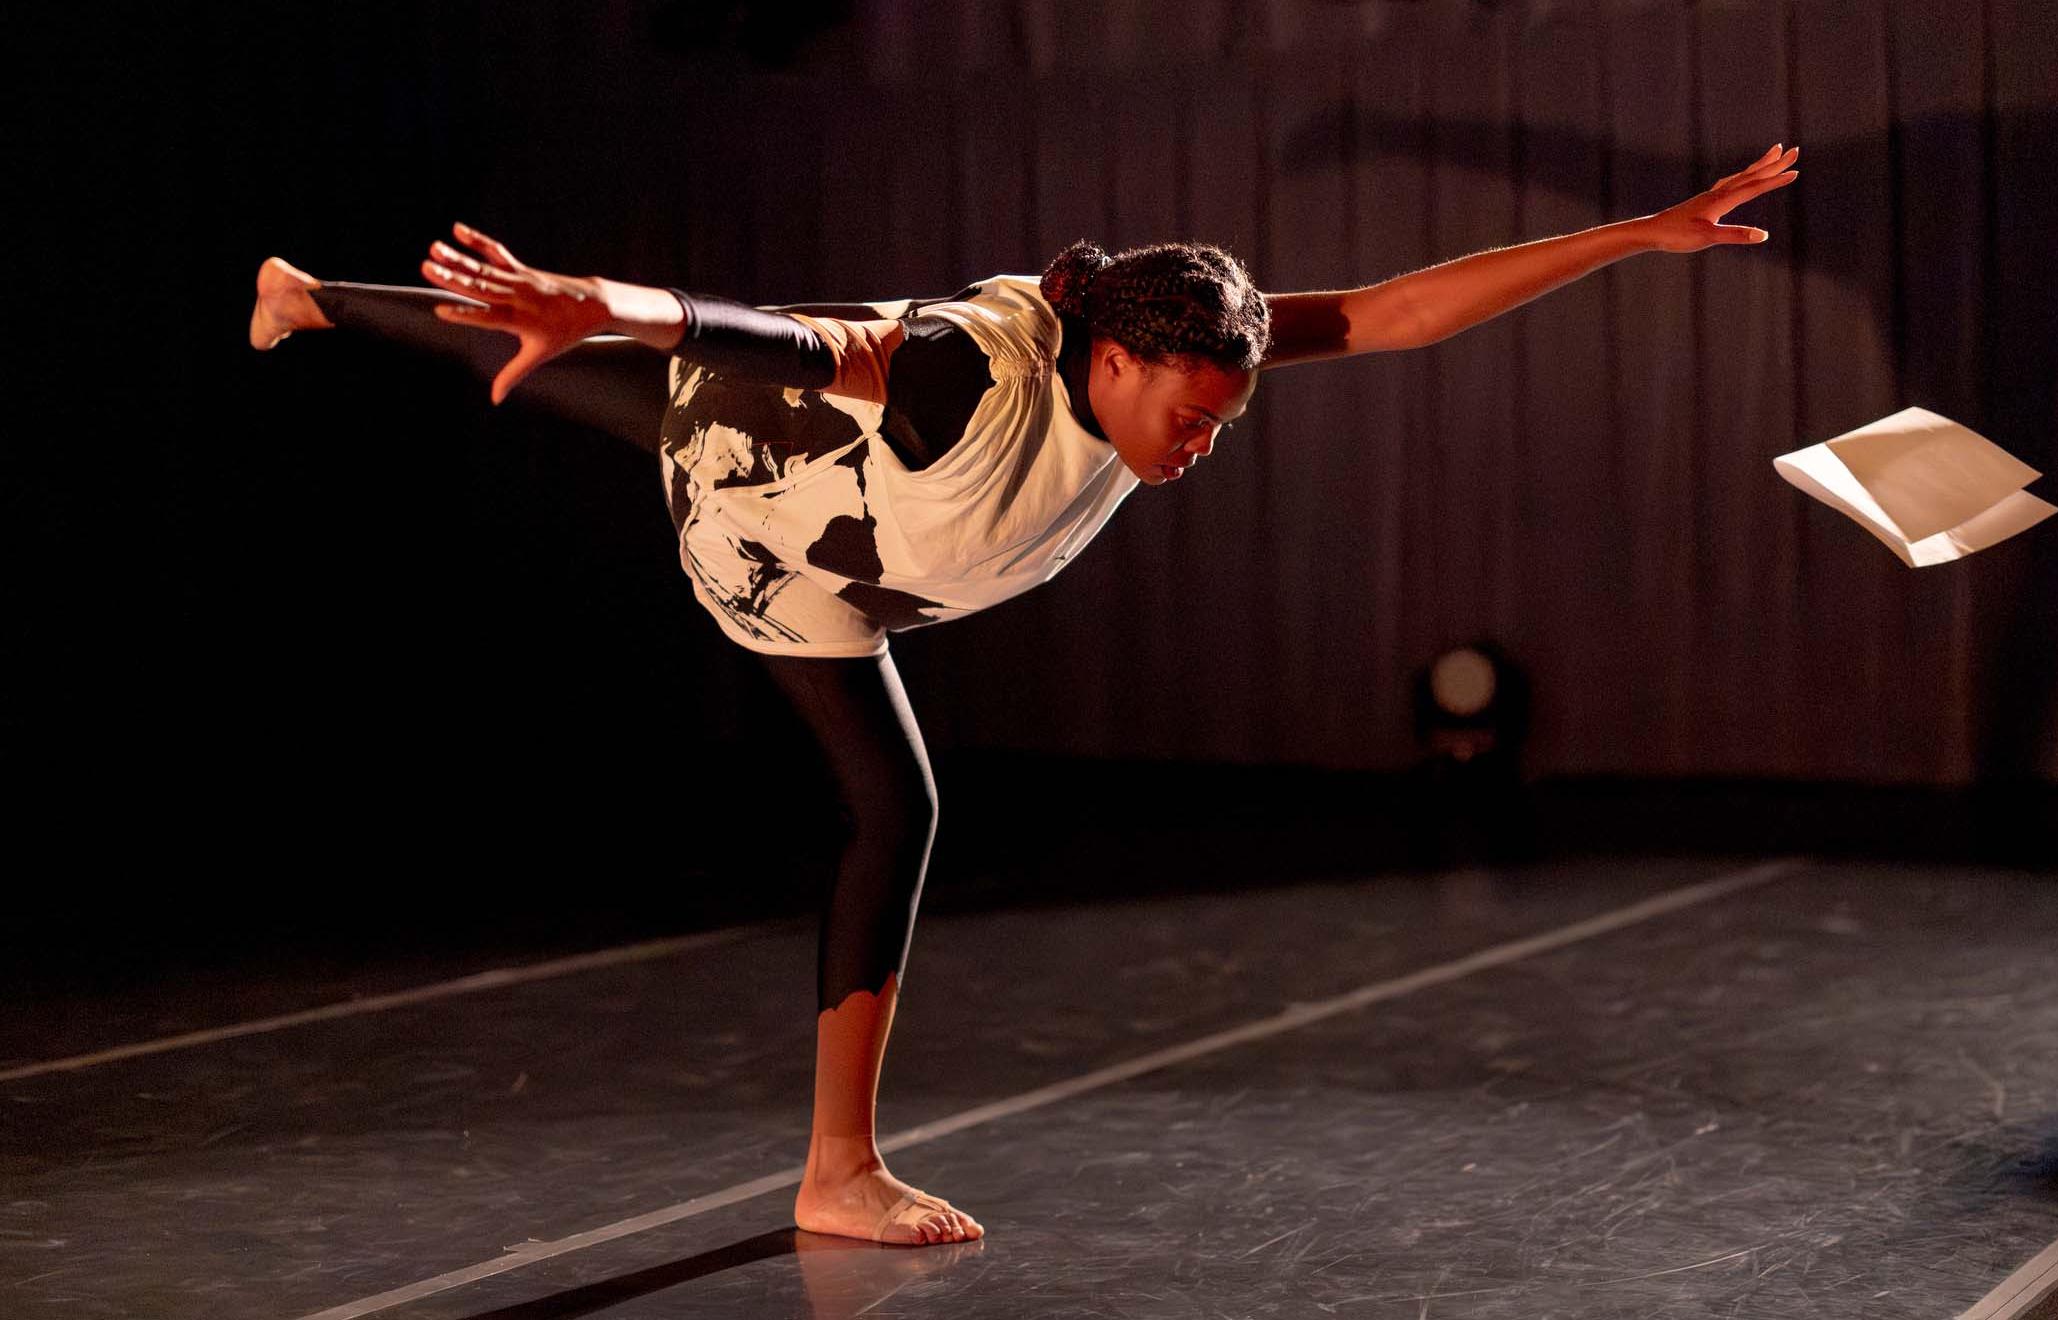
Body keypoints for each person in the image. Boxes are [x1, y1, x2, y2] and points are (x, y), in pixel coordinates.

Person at [246, 144, 1799, 1248]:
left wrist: (1631, 237)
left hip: (834, 547)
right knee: (865, 758)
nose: (1196, 450)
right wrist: (602, 300)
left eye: (1223, 426)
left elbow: (1391, 312)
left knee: (862, 760)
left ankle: (307, 294)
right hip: (781, 536)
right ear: (1110, 356)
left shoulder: (1172, 358)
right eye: (1187, 418)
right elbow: (782, 332)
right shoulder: (963, 370)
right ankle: (837, 1170)